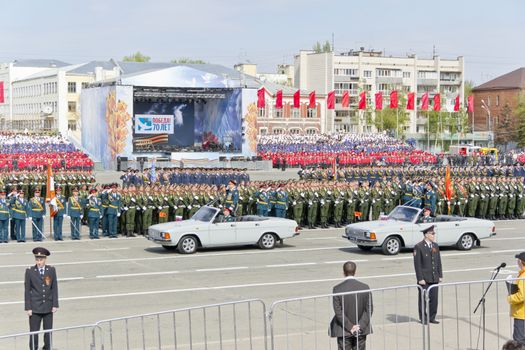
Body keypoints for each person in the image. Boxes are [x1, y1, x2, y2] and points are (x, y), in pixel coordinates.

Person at [329, 261, 373, 350]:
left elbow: (338, 311)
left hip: (344, 330)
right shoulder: (365, 287)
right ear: (355, 272)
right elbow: (369, 309)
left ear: (343, 272)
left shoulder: (337, 289)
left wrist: (350, 326)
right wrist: (359, 326)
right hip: (361, 329)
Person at [25, 247, 59, 350]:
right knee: (34, 332)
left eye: (41, 260)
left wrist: (55, 304)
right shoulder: (30, 271)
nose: (39, 262)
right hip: (35, 308)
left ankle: (47, 348)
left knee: (48, 332)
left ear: (45, 259)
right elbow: (27, 290)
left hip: (48, 307)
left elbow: (54, 288)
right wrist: (28, 307)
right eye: (37, 259)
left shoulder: (51, 270)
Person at [413, 225, 443, 324]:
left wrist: (440, 275)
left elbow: (438, 261)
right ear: (426, 235)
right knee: (423, 300)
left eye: (434, 233)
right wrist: (420, 278)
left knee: (434, 299)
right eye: (432, 233)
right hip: (424, 279)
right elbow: (417, 264)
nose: (434, 235)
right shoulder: (419, 246)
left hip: (434, 277)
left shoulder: (435, 245)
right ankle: (423, 318)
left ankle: (432, 317)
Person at [507, 252, 525, 345]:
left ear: (521, 262)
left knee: (519, 340)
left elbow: (522, 296)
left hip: (521, 313)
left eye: (518, 259)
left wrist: (510, 298)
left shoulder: (523, 277)